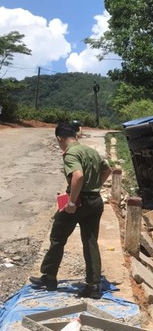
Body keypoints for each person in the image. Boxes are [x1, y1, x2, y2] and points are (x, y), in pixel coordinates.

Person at [30, 122, 112, 298]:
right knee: (90, 242)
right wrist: (95, 186)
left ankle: (49, 277)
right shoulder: (90, 151)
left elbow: (78, 175)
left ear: (60, 138)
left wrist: (72, 202)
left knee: (57, 237)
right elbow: (107, 170)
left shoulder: (71, 154)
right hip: (95, 201)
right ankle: (94, 285)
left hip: (79, 202)